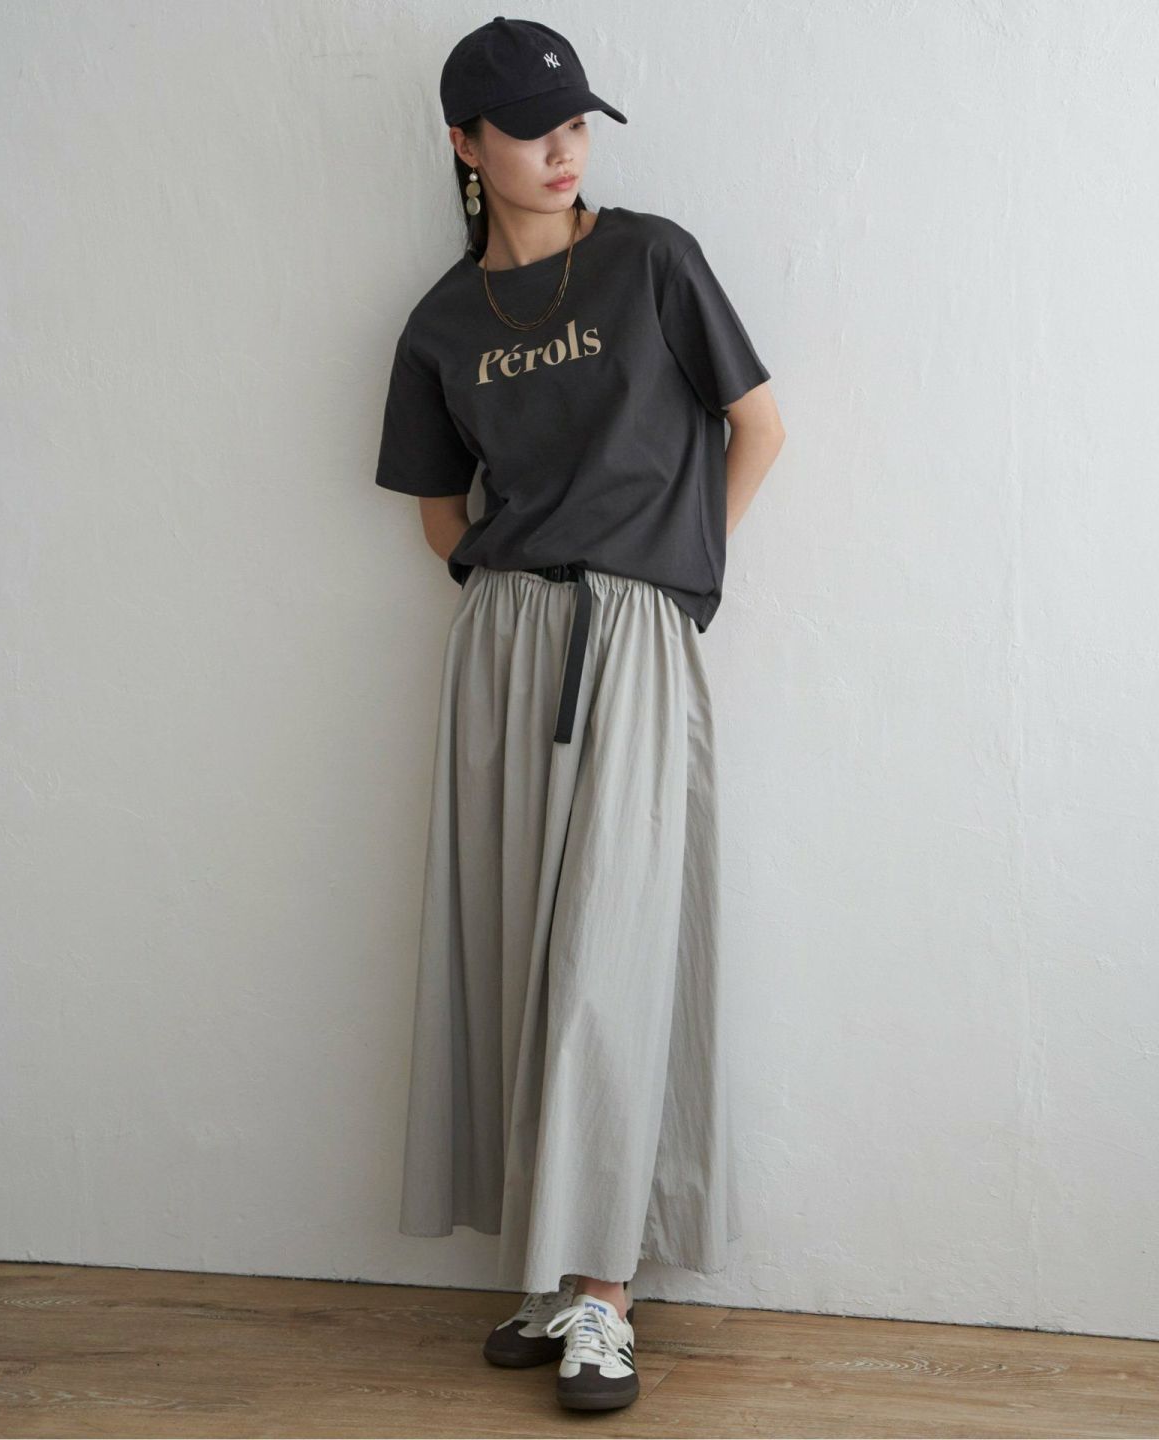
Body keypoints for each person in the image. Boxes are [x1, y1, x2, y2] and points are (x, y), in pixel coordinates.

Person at [374, 16, 785, 1413]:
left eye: (576, 125)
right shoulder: (440, 322)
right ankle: (557, 1268)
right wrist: (501, 600)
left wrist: (674, 579)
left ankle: (609, 1294)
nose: (563, 151)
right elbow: (439, 507)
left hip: (635, 628)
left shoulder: (651, 259)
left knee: (616, 948)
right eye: (530, 129)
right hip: (505, 639)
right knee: (517, 949)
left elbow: (759, 425)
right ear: (463, 143)